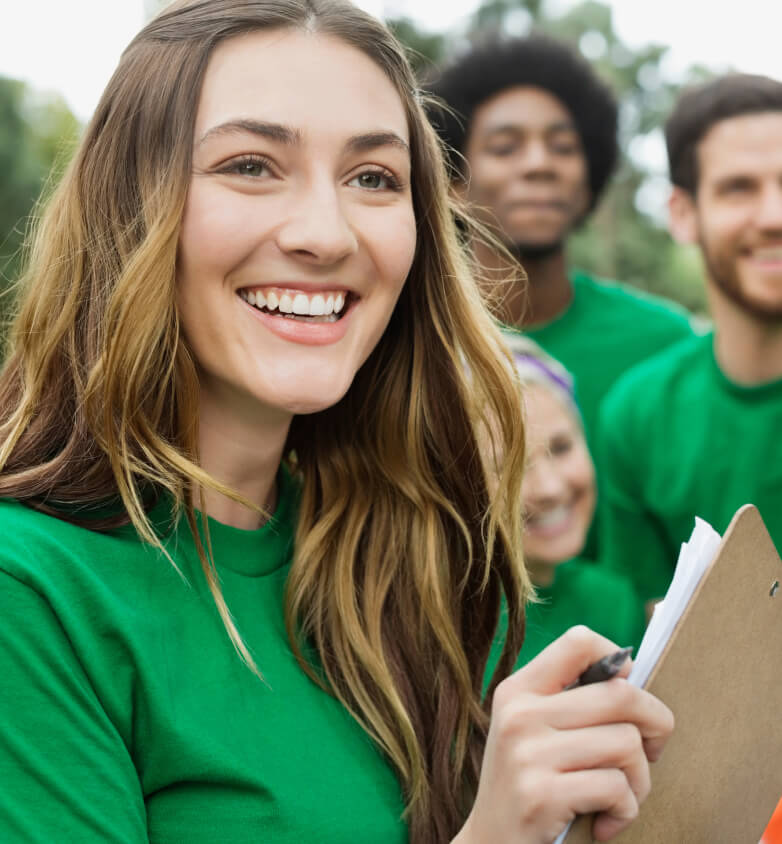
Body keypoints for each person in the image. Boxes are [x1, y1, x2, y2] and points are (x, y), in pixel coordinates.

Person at [0, 2, 673, 843]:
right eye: (250, 164)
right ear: (127, 206)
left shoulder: (407, 556)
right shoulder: (29, 593)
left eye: (373, 178)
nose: (326, 233)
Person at [426, 35, 693, 464]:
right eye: (505, 147)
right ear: (453, 183)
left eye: (563, 147)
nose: (539, 164)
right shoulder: (410, 345)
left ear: (589, 183)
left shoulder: (667, 347)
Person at [598, 73, 782, 609]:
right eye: (738, 188)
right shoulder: (638, 415)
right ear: (683, 213)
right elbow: (649, 634)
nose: (773, 216)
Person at [501, 339, 645, 666]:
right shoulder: (424, 631)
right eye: (510, 467)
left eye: (562, 447)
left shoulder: (614, 601)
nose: (550, 488)